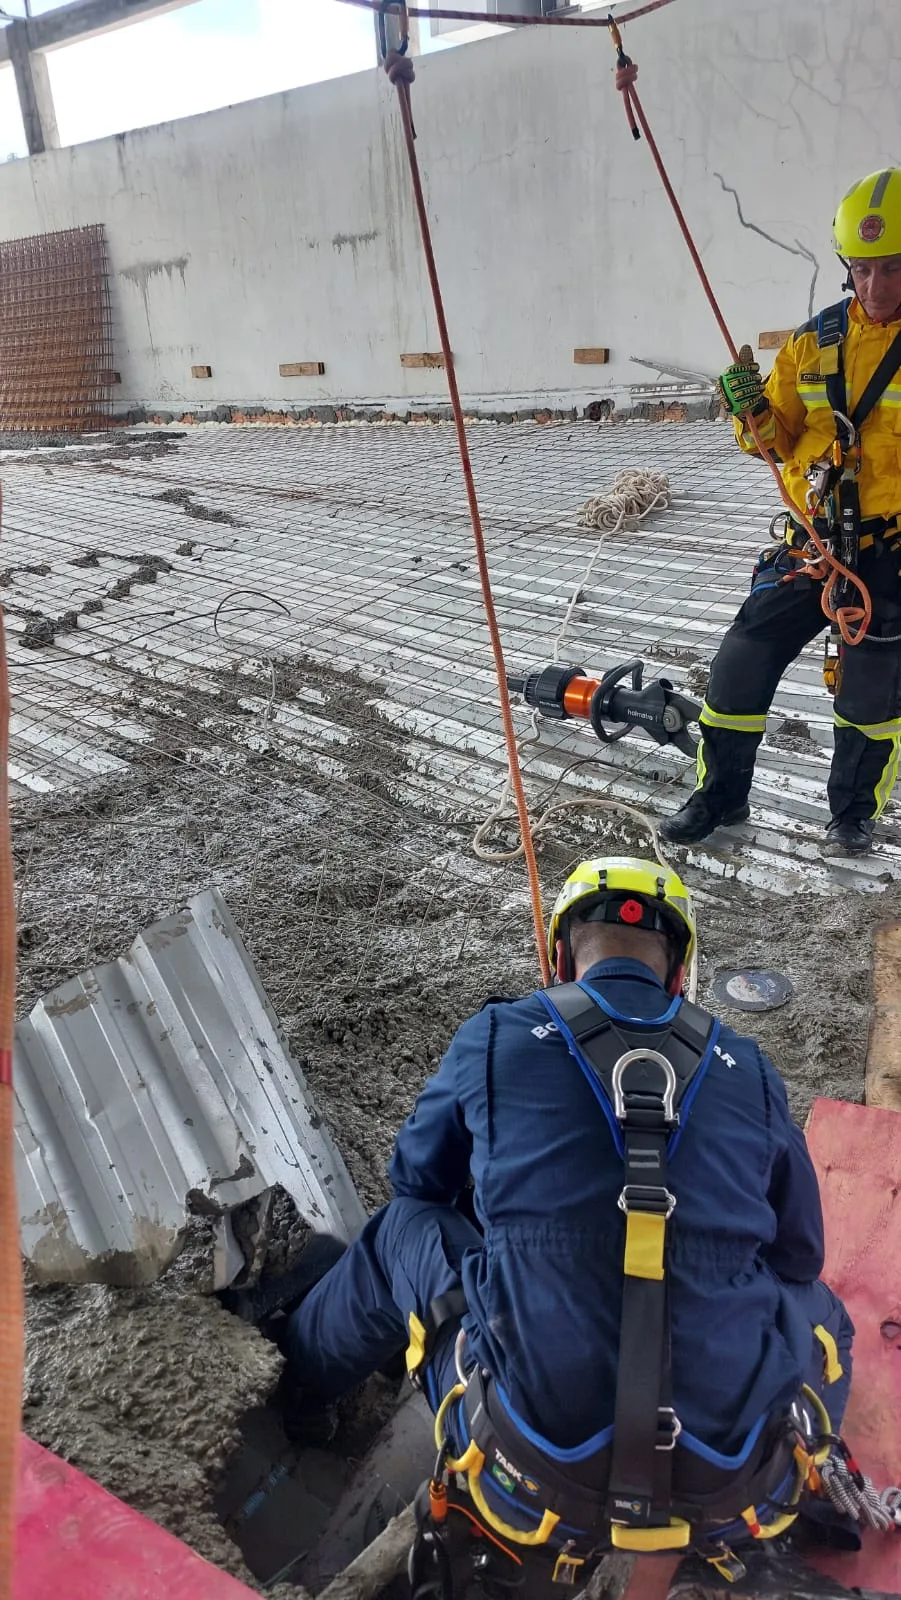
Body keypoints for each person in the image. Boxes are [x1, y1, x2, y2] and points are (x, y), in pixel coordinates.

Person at [281, 857, 853, 1564]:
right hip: (729, 1484)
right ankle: (806, 1450)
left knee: (402, 1229)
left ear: (559, 956)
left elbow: (416, 1180)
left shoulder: (494, 1034)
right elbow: (798, 1254)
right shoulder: (749, 1066)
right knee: (822, 1309)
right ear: (678, 972)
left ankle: (298, 1394)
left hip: (524, 1465)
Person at [661, 168, 901, 857]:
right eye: (863, 269)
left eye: (891, 269)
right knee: (738, 663)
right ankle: (720, 797)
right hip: (811, 544)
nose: (877, 287)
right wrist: (752, 414)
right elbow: (772, 443)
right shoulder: (812, 342)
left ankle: (849, 817)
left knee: (869, 699)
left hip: (887, 554)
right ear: (845, 267)